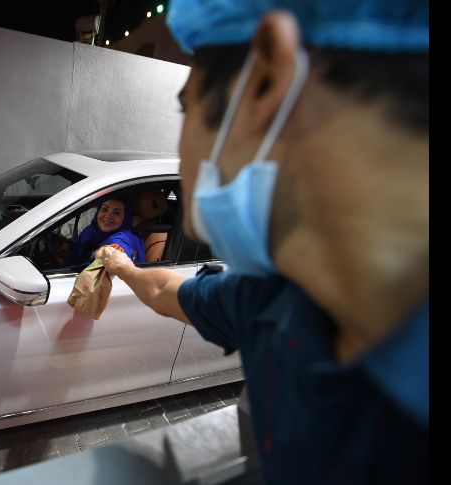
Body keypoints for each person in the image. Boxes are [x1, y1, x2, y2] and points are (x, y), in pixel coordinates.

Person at [99, 0, 428, 483]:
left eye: (186, 108)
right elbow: (167, 293)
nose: (180, 150)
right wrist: (124, 269)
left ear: (266, 79)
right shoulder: (273, 303)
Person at [66, 197, 146, 269]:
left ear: (125, 218)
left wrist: (106, 254)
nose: (108, 216)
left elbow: (118, 250)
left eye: (117, 213)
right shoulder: (92, 230)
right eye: (105, 209)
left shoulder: (124, 238)